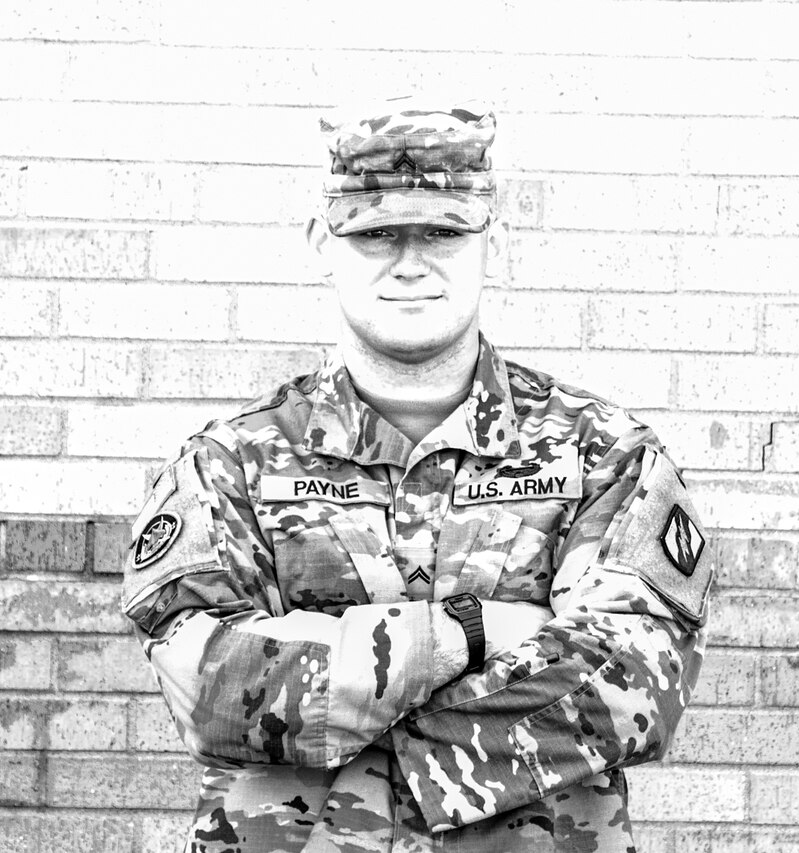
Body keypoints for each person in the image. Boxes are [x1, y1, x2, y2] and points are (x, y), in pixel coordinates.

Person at [121, 97, 713, 853]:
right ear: (321, 242)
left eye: (443, 231)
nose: (409, 262)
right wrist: (474, 632)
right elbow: (213, 688)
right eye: (375, 234)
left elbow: (628, 686)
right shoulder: (228, 463)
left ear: (494, 242)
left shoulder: (603, 455)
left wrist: (331, 690)